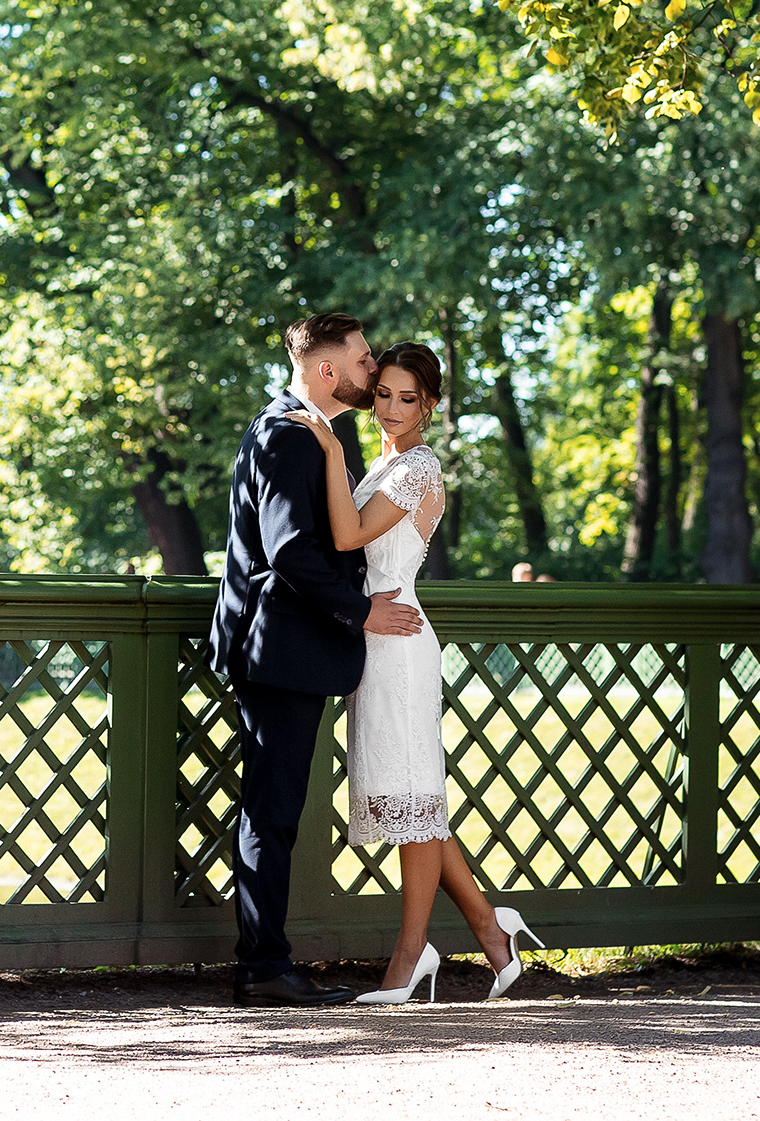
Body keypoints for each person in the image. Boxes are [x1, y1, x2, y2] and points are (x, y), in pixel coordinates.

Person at [286, 340, 547, 1005]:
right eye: (384, 394)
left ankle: (410, 958)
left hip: (400, 641)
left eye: (408, 398)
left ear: (430, 405)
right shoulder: (384, 464)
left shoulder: (418, 468)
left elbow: (347, 539)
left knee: (415, 800)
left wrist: (330, 449)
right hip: (374, 640)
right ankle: (491, 932)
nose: (392, 408)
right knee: (413, 801)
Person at [210, 313, 424, 1006]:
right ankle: (263, 966)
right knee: (272, 812)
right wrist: (362, 611)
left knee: (275, 808)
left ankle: (265, 959)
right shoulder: (288, 435)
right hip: (279, 651)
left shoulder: (314, 434)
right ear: (327, 370)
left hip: (291, 649)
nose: (373, 371)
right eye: (364, 362)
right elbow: (291, 552)